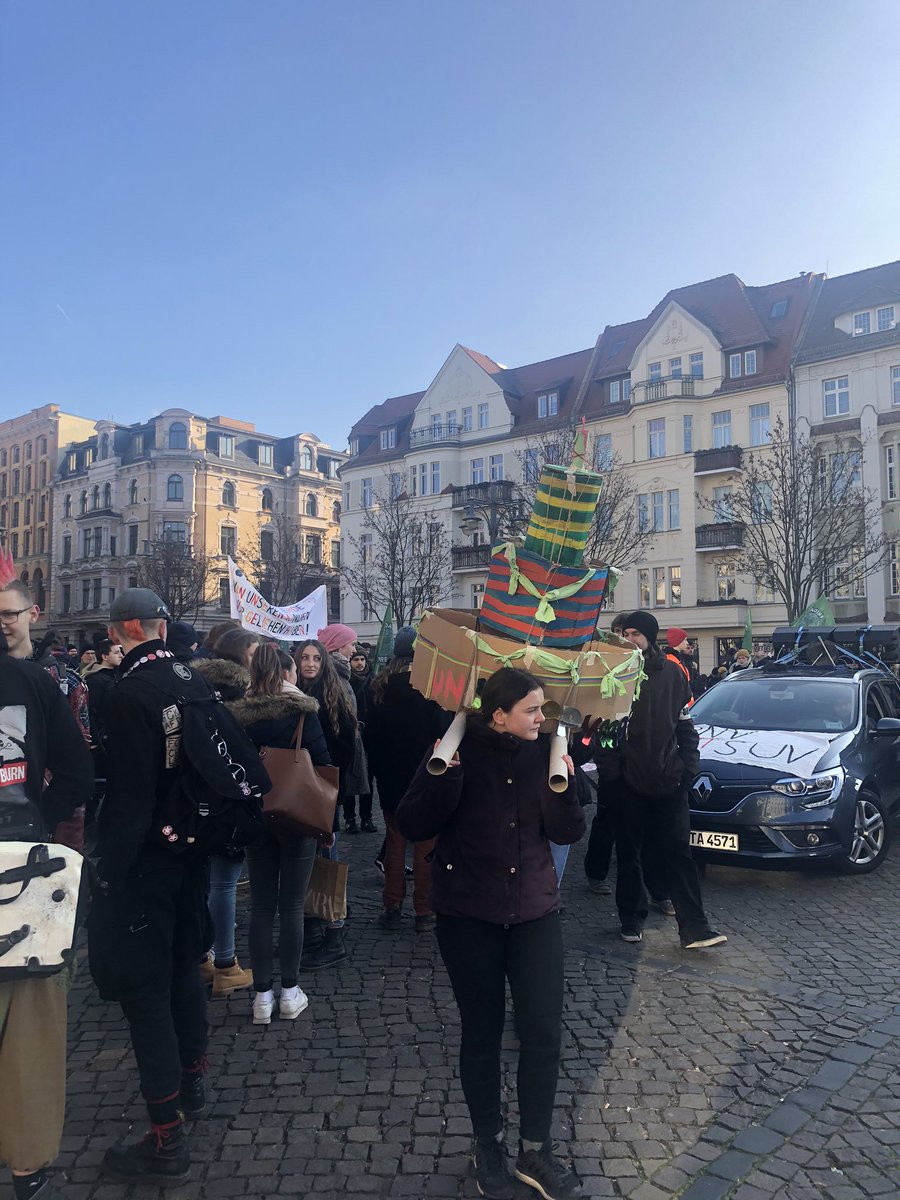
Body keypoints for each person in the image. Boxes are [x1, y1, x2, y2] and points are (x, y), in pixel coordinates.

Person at [397, 668, 585, 1200]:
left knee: (543, 1031)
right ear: (498, 714)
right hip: (468, 914)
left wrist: (567, 784)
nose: (542, 718)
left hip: (535, 911)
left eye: (543, 708)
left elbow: (569, 831)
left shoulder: (545, 752)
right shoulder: (455, 749)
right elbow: (412, 824)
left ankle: (535, 1149)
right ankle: (489, 1144)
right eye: (531, 710)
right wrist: (443, 778)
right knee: (481, 1032)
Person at [87, 588, 219, 1185]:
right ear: (161, 628)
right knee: (183, 967)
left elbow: (129, 795)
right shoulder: (192, 679)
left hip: (147, 858)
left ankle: (167, 1138)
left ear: (125, 629)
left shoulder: (130, 691)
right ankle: (192, 1083)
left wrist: (109, 869)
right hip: (191, 848)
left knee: (146, 994)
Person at [0, 623, 94, 1200]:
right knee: (31, 1021)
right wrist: (37, 818)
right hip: (22, 867)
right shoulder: (33, 681)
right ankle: (27, 1164)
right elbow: (78, 772)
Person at [598, 611, 726, 951]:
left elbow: (685, 726)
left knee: (680, 854)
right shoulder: (611, 674)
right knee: (630, 855)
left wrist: (688, 770)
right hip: (627, 783)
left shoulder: (673, 674)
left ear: (650, 637)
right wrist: (612, 774)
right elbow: (603, 732)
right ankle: (631, 919)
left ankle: (695, 927)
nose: (629, 639)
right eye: (625, 633)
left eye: (635, 633)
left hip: (669, 780)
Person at [228, 644, 332, 1023]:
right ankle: (289, 991)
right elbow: (324, 765)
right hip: (296, 816)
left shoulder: (236, 716)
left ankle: (261, 997)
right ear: (288, 673)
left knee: (260, 907)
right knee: (291, 907)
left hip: (256, 815)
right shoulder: (302, 712)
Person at [363, 626, 450, 932]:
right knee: (426, 846)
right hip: (425, 777)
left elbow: (370, 738)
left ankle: (391, 906)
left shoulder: (378, 688)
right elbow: (443, 734)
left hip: (390, 778)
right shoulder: (431, 691)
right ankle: (424, 910)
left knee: (395, 843)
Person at [191, 627, 259, 997]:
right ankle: (226, 964)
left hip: (198, 797)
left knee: (204, 881)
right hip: (228, 795)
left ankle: (203, 956)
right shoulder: (239, 690)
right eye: (255, 650)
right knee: (224, 884)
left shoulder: (195, 682)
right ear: (241, 653)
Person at [295, 638, 358, 969]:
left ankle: (334, 933)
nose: (310, 664)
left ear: (324, 663)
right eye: (304, 658)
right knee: (306, 863)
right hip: (299, 792)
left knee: (327, 861)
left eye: (316, 658)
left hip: (324, 791)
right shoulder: (293, 694)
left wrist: (326, 782)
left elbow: (346, 748)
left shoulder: (332, 698)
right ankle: (311, 929)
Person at [317, 624, 370, 835]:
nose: (354, 649)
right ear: (338, 646)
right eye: (351, 644)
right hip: (335, 757)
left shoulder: (339, 672)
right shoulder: (332, 676)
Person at [346, 646, 377, 832]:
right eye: (356, 659)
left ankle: (367, 817)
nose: (359, 663)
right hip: (351, 735)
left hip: (369, 736)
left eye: (362, 659)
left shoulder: (374, 681)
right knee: (350, 777)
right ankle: (350, 818)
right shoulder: (346, 681)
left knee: (368, 778)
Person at [665, 627, 704, 701]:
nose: (687, 643)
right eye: (685, 640)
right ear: (678, 641)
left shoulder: (678, 659)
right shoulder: (671, 660)